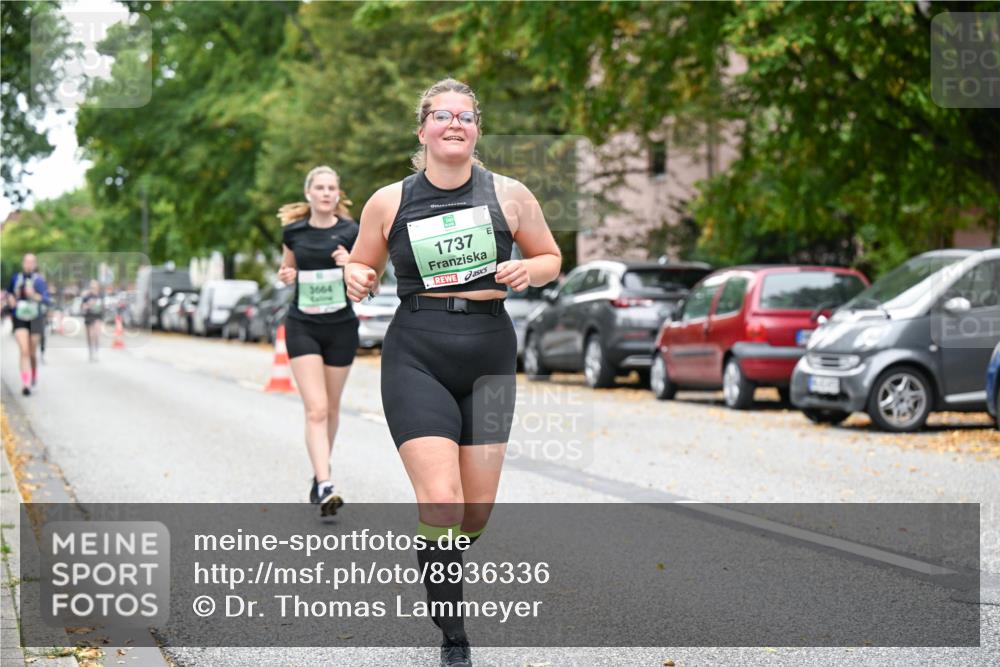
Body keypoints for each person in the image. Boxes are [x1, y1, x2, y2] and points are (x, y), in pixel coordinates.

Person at [345, 78, 562, 667]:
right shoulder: (388, 201)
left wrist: (530, 271)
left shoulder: (510, 195)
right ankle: (454, 634)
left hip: (490, 354)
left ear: (476, 130)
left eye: (465, 116)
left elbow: (549, 256)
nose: (454, 124)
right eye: (442, 116)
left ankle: (438, 556)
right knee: (442, 500)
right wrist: (356, 277)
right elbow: (361, 265)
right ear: (423, 131)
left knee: (475, 511)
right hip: (417, 352)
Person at [277, 166, 360, 517]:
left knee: (332, 409)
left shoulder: (352, 231)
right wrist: (286, 275)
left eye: (331, 188)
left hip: (341, 327)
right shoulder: (293, 232)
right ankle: (326, 484)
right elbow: (287, 270)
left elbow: (369, 281)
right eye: (320, 188)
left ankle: (319, 472)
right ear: (308, 193)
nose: (326, 193)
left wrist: (350, 264)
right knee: (316, 409)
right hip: (303, 325)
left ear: (338, 194)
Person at [7, 254, 51, 396]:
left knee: (32, 352)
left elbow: (46, 299)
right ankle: (25, 384)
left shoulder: (39, 281)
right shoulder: (16, 278)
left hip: (35, 317)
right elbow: (9, 293)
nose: (29, 264)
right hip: (19, 316)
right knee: (24, 350)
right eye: (26, 261)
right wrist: (11, 299)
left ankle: (33, 376)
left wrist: (34, 295)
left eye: (32, 262)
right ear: (23, 263)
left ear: (35, 264)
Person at [82, 280, 104, 361]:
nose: (93, 288)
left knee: (96, 334)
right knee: (90, 336)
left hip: (97, 317)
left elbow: (103, 307)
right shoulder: (87, 296)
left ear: (98, 287)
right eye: (92, 287)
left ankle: (96, 351)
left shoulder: (100, 296)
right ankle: (90, 351)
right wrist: (88, 305)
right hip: (88, 317)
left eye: (95, 287)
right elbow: (83, 306)